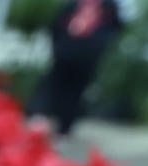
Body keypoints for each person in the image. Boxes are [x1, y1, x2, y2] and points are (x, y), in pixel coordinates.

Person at [34, 0, 123, 138]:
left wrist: (98, 47)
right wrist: (58, 47)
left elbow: (114, 29)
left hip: (87, 58)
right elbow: (55, 26)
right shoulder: (72, 4)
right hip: (64, 53)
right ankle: (40, 118)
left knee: (75, 93)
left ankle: (64, 128)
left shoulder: (109, 7)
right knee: (52, 85)